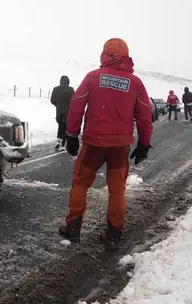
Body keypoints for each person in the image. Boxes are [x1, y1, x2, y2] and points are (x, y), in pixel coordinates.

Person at [58, 38, 153, 251]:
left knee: (81, 183)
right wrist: (144, 144)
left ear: (104, 53)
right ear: (126, 56)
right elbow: (145, 114)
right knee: (117, 190)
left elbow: (76, 105)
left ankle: (73, 228)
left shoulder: (93, 78)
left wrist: (72, 135)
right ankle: (113, 235)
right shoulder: (135, 83)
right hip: (120, 146)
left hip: (94, 144)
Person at [50, 75, 75, 151]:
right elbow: (74, 100)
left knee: (60, 126)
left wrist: (58, 105)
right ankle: (62, 145)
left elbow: (52, 100)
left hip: (59, 113)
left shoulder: (56, 89)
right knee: (65, 128)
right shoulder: (71, 90)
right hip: (68, 113)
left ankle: (58, 141)